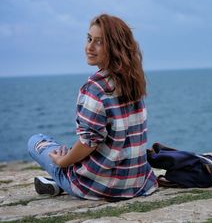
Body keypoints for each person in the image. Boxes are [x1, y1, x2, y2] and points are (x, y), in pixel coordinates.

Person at [27, 14, 158, 200]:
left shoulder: (95, 89)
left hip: (97, 187)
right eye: (89, 39)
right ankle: (56, 183)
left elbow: (88, 143)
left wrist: (63, 161)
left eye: (99, 42)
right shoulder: (134, 82)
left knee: (36, 141)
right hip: (138, 183)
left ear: (114, 47)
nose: (89, 47)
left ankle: (63, 180)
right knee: (72, 151)